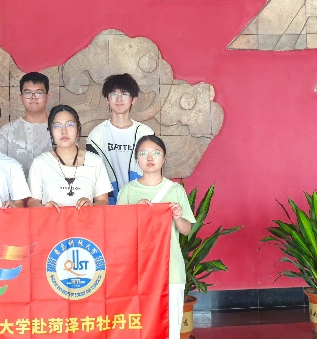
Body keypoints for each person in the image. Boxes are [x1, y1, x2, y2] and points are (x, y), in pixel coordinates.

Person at [116, 135, 194, 339]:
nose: (150, 158)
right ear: (137, 159)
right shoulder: (128, 191)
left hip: (170, 271)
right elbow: (118, 233)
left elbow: (186, 230)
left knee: (170, 329)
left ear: (164, 158)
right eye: (143, 153)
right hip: (138, 271)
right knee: (139, 328)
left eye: (156, 153)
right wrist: (135, 213)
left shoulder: (175, 190)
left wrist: (178, 217)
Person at [85, 73, 155, 202]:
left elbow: (155, 170)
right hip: (108, 203)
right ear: (107, 99)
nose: (119, 99)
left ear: (133, 99)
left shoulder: (145, 133)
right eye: (114, 94)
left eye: (125, 94)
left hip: (141, 201)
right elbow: (91, 175)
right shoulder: (96, 136)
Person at [27, 105, 111, 208]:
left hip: (86, 219)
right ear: (51, 130)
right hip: (50, 219)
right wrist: (44, 208)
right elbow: (32, 202)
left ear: (78, 128)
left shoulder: (95, 162)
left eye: (69, 124)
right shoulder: (40, 163)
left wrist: (91, 206)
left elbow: (103, 201)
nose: (64, 131)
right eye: (57, 126)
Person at [0, 72, 55, 171]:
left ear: (47, 97)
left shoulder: (60, 129)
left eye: (39, 93)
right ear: (21, 97)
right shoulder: (7, 131)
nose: (33, 97)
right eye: (28, 93)